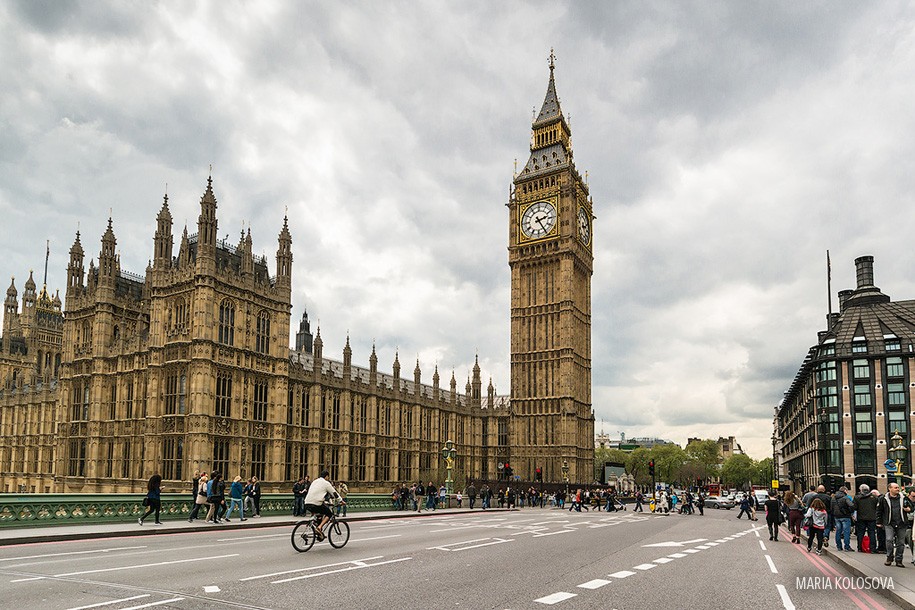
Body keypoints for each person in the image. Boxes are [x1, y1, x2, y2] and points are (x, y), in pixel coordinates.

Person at [303, 469, 343, 540]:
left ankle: (319, 533)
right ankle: (319, 527)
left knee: (320, 514)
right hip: (316, 503)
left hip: (307, 502)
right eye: (328, 477)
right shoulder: (326, 483)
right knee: (329, 514)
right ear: (326, 476)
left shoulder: (314, 481)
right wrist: (341, 501)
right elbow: (334, 493)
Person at [877, 482, 908, 567]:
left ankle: (899, 560)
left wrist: (909, 509)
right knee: (889, 540)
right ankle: (889, 557)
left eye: (898, 488)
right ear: (889, 489)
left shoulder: (904, 498)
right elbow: (879, 511)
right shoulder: (883, 499)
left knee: (901, 543)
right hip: (889, 522)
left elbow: (911, 506)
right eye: (895, 488)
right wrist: (879, 522)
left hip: (901, 523)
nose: (898, 489)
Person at [831, 486, 855, 551]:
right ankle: (847, 546)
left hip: (837, 517)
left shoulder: (833, 498)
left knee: (838, 531)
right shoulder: (845, 498)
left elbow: (831, 508)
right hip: (845, 516)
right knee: (846, 532)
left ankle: (839, 546)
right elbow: (852, 505)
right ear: (845, 491)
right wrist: (850, 512)